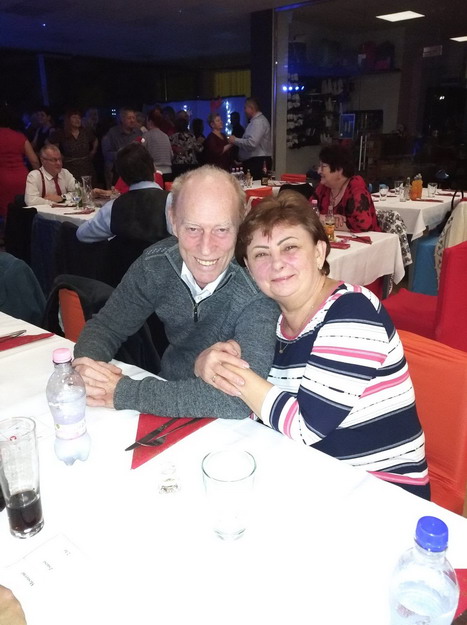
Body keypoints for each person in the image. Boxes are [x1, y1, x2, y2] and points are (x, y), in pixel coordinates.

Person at [195, 191, 430, 499]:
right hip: (311, 471)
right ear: (249, 269)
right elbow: (257, 407)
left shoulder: (353, 313)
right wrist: (207, 362)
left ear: (319, 252)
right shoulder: (272, 319)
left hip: (383, 492)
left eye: (290, 247)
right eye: (261, 254)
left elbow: (306, 427)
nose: (277, 264)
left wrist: (228, 372)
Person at [72, 165, 279, 419]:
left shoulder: (258, 286)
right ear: (173, 220)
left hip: (232, 427)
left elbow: (239, 400)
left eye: (221, 229)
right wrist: (87, 368)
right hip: (164, 400)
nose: (206, 248)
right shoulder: (156, 265)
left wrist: (123, 392)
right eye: (193, 228)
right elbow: (107, 327)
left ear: (241, 222)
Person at [76, 142, 169, 244]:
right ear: (153, 167)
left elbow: (82, 234)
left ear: (122, 177)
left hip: (124, 254)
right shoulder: (173, 202)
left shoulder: (113, 208)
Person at [315, 144, 380, 232]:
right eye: (319, 166)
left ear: (339, 170)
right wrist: (328, 218)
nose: (319, 171)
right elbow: (305, 214)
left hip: (367, 239)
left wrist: (323, 220)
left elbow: (362, 224)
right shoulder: (323, 187)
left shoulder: (356, 185)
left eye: (323, 167)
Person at [0, 106, 39, 219]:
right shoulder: (20, 136)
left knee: (7, 213)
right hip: (22, 178)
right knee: (24, 210)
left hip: (2, 179)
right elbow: (34, 161)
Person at [49, 109, 98, 184]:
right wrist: (59, 155)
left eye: (79, 118)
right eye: (74, 117)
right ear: (68, 120)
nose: (77, 120)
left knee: (88, 186)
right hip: (70, 166)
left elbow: (95, 140)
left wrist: (93, 151)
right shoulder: (62, 133)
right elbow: (50, 143)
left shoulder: (86, 132)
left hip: (86, 165)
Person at [228, 97, 272, 180]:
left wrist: (235, 140)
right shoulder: (255, 122)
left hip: (257, 162)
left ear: (251, 108)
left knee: (256, 186)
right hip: (255, 161)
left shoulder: (258, 122)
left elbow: (252, 143)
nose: (244, 110)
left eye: (245, 108)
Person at [101, 108, 142, 188]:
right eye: (129, 118)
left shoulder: (138, 132)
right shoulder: (112, 133)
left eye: (134, 118)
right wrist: (123, 153)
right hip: (117, 172)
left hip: (135, 172)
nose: (132, 120)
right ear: (122, 119)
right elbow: (106, 154)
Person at [143, 109, 173, 175]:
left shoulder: (147, 135)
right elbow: (171, 155)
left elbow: (141, 153)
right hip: (168, 171)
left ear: (150, 121)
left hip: (154, 171)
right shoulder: (165, 136)